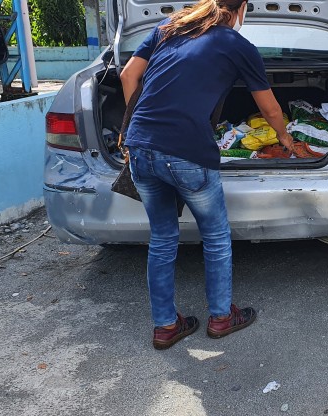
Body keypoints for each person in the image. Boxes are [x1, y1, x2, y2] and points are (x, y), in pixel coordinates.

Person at [119, 0, 294, 350]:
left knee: (163, 238)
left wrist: (143, 126)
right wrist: (287, 139)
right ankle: (220, 317)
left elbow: (127, 76)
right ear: (241, 8)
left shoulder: (169, 28)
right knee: (215, 236)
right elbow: (269, 107)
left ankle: (166, 327)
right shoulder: (236, 44)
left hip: (139, 148)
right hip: (187, 154)